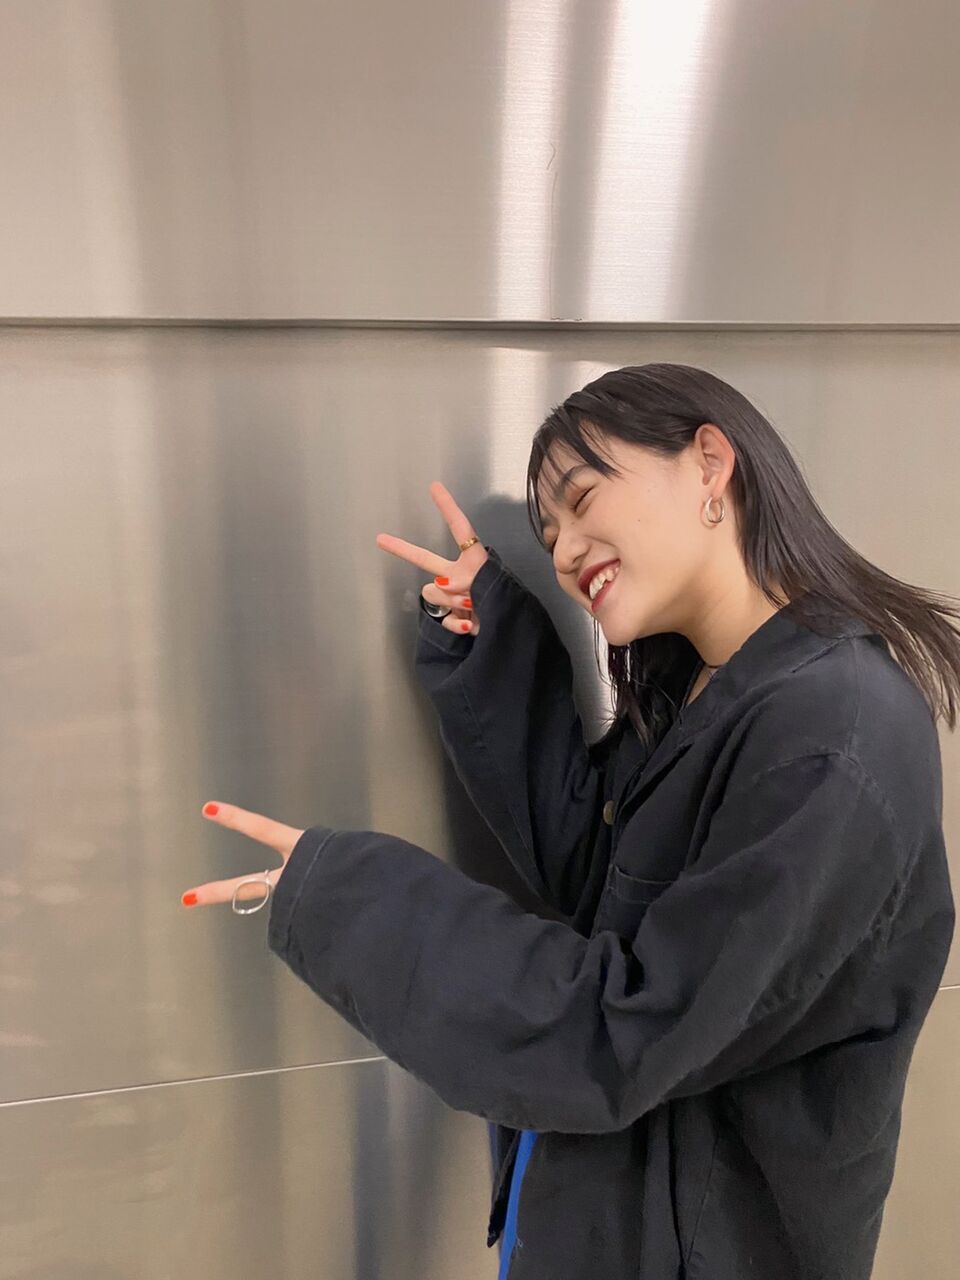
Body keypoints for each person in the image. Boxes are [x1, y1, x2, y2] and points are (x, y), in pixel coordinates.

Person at [181, 362, 958, 1279]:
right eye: (549, 534)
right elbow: (600, 878)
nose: (564, 550)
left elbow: (626, 1029)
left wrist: (351, 900)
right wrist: (496, 642)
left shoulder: (831, 733)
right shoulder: (710, 689)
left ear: (711, 463)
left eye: (584, 500)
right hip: (594, 1212)